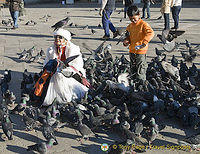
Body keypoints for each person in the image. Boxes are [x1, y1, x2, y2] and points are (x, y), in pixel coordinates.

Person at [39, 28, 88, 106]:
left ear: (66, 40)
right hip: (54, 73)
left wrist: (65, 70)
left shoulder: (73, 49)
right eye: (55, 37)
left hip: (71, 73)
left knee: (60, 77)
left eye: (60, 37)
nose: (57, 39)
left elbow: (78, 65)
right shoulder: (51, 49)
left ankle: (66, 97)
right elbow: (46, 62)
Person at [123, 5, 154, 83]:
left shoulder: (143, 24)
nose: (133, 20)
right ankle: (134, 84)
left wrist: (145, 41)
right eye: (130, 19)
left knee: (141, 69)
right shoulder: (129, 27)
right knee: (133, 69)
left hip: (141, 51)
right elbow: (128, 36)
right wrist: (126, 41)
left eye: (134, 18)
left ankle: (142, 84)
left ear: (139, 15)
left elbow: (150, 33)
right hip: (132, 50)